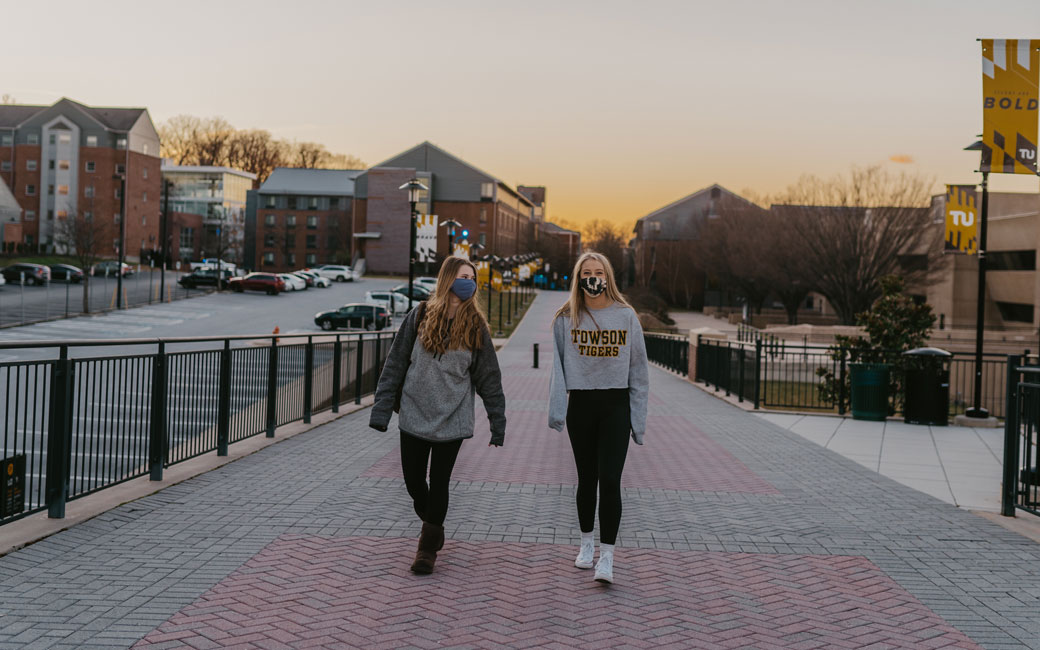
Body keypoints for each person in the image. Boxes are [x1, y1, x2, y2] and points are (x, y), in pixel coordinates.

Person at [370, 256, 506, 574]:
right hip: (414, 413)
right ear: (447, 279)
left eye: (473, 278)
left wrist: (497, 421)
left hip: (453, 418)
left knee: (440, 482)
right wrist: (381, 410)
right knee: (414, 482)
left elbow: (489, 378)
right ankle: (435, 525)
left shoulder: (477, 327)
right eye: (463, 276)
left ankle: (426, 549)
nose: (469, 282)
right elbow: (395, 363)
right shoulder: (418, 316)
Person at [548, 251, 649, 584]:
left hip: (615, 406)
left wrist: (639, 421)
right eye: (586, 273)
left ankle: (607, 557)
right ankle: (586, 544)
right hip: (582, 405)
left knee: (610, 480)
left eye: (599, 272)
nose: (593, 278)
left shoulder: (626, 317)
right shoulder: (567, 318)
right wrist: (557, 412)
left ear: (608, 276)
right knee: (587, 479)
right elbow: (558, 369)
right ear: (579, 278)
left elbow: (639, 371)